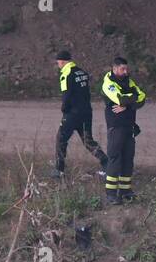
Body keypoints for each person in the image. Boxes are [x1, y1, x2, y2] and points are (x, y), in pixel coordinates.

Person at [53, 51, 108, 178]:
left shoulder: (66, 74)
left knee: (61, 139)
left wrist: (64, 109)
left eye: (58, 62)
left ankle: (59, 169)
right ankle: (107, 164)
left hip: (72, 114)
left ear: (62, 61)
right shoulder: (81, 72)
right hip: (86, 111)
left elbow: (66, 95)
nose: (58, 65)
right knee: (88, 140)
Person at [101, 57, 147, 204]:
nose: (126, 71)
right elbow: (120, 98)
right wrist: (131, 100)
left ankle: (126, 191)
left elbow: (142, 97)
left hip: (129, 125)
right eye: (123, 69)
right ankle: (111, 194)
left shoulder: (128, 81)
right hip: (116, 126)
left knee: (128, 159)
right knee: (115, 158)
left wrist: (127, 105)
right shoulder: (109, 83)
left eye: (126, 69)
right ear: (114, 69)